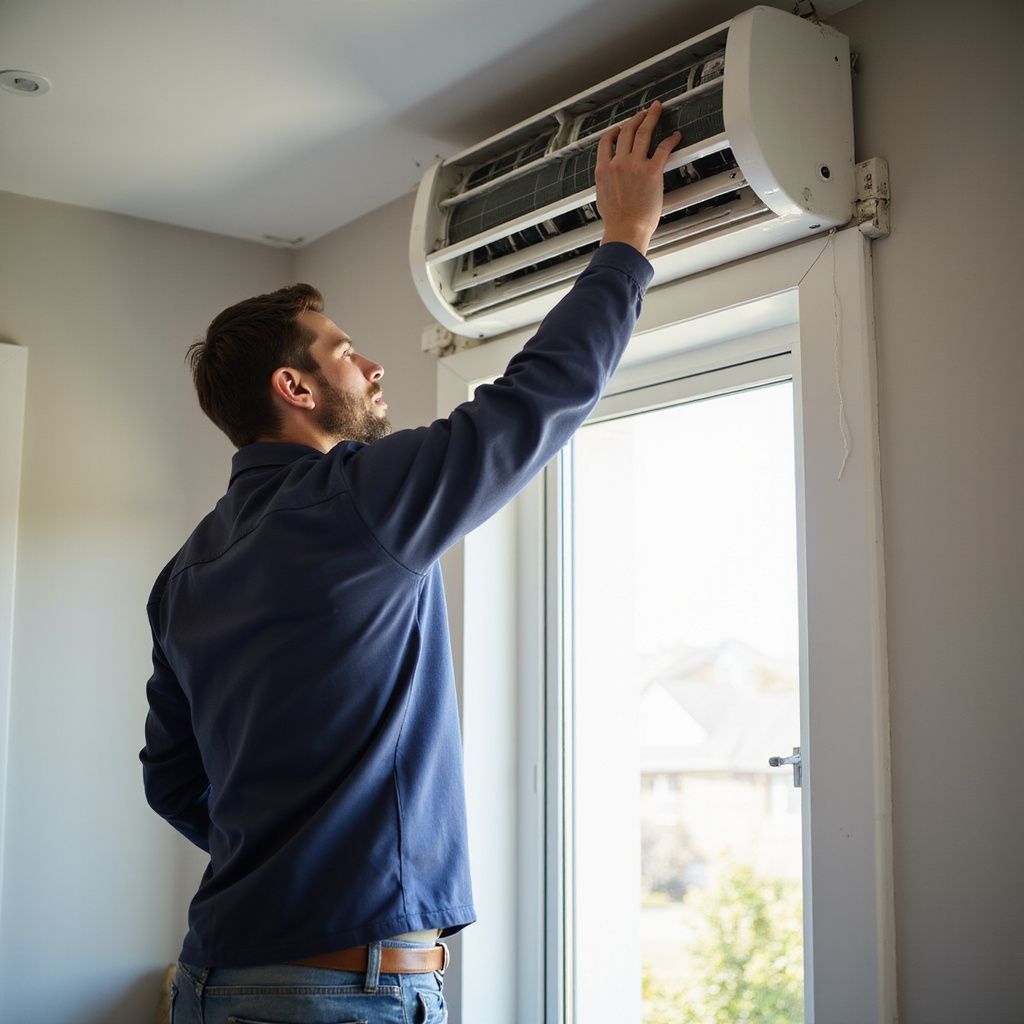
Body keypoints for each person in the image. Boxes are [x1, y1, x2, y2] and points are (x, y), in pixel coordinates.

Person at [140, 102, 680, 1024]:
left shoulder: (187, 568)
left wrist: (283, 861)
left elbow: (172, 780)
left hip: (218, 979)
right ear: (296, 388)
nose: (376, 367)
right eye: (349, 354)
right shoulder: (354, 499)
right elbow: (534, 400)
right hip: (339, 992)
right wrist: (624, 242)